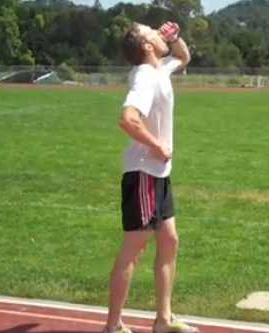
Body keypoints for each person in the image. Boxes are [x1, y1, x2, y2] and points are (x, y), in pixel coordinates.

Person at [103, 21, 198, 333]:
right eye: (152, 33)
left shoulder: (159, 69)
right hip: (143, 172)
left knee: (169, 241)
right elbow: (127, 119)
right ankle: (113, 326)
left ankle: (163, 321)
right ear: (146, 47)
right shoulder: (145, 77)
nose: (159, 33)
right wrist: (157, 145)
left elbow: (183, 57)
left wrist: (175, 37)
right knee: (134, 249)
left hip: (159, 173)